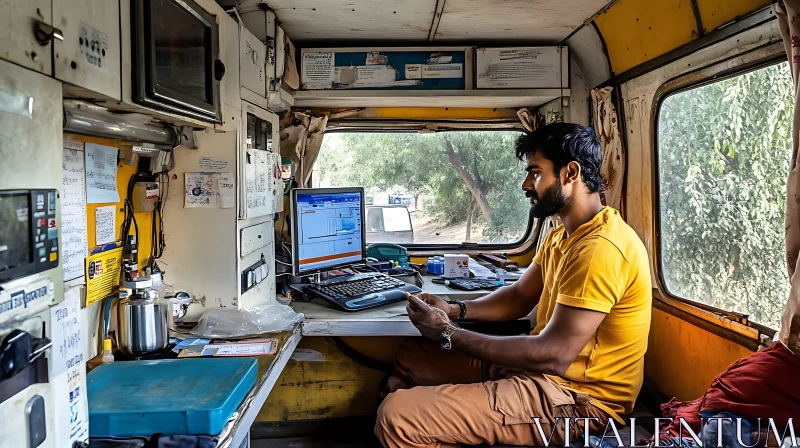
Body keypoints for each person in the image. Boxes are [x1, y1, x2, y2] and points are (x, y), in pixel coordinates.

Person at [374, 123, 652, 448]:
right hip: (543, 376)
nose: (526, 184)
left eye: (535, 173)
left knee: (396, 416)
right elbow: (520, 296)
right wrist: (453, 309)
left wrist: (449, 332)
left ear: (570, 173)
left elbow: (554, 355)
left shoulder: (601, 248)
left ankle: (426, 423)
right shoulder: (562, 235)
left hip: (578, 398)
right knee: (412, 355)